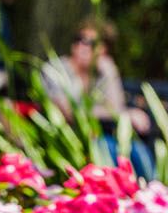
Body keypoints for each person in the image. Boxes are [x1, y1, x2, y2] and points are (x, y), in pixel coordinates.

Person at [39, 20, 155, 179]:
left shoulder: (102, 73)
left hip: (102, 137)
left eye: (90, 43)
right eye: (79, 39)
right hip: (67, 140)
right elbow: (68, 112)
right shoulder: (55, 69)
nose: (82, 46)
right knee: (107, 149)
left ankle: (149, 195)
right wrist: (118, 115)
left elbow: (117, 108)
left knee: (136, 151)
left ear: (103, 50)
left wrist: (110, 72)